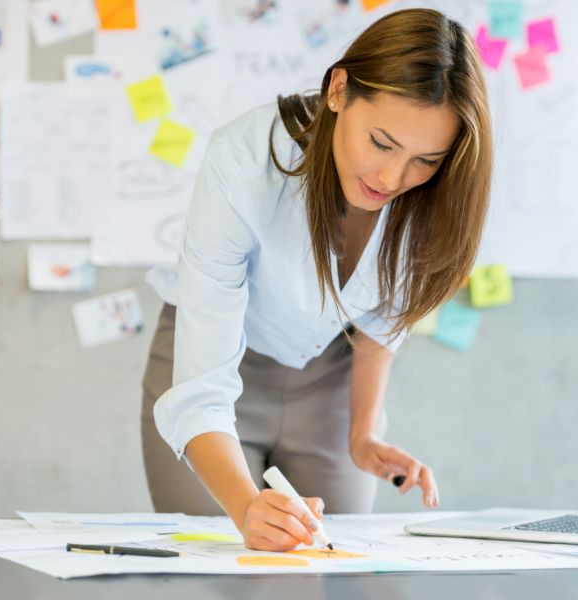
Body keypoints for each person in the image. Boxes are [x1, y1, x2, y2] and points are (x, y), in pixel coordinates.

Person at [141, 8, 492, 552]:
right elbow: (200, 390)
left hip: (328, 374)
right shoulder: (244, 159)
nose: (392, 179)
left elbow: (382, 314)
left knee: (332, 573)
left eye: (424, 159)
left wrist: (363, 432)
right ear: (338, 90)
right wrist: (244, 506)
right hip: (213, 362)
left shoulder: (436, 191)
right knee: (213, 571)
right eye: (380, 142)